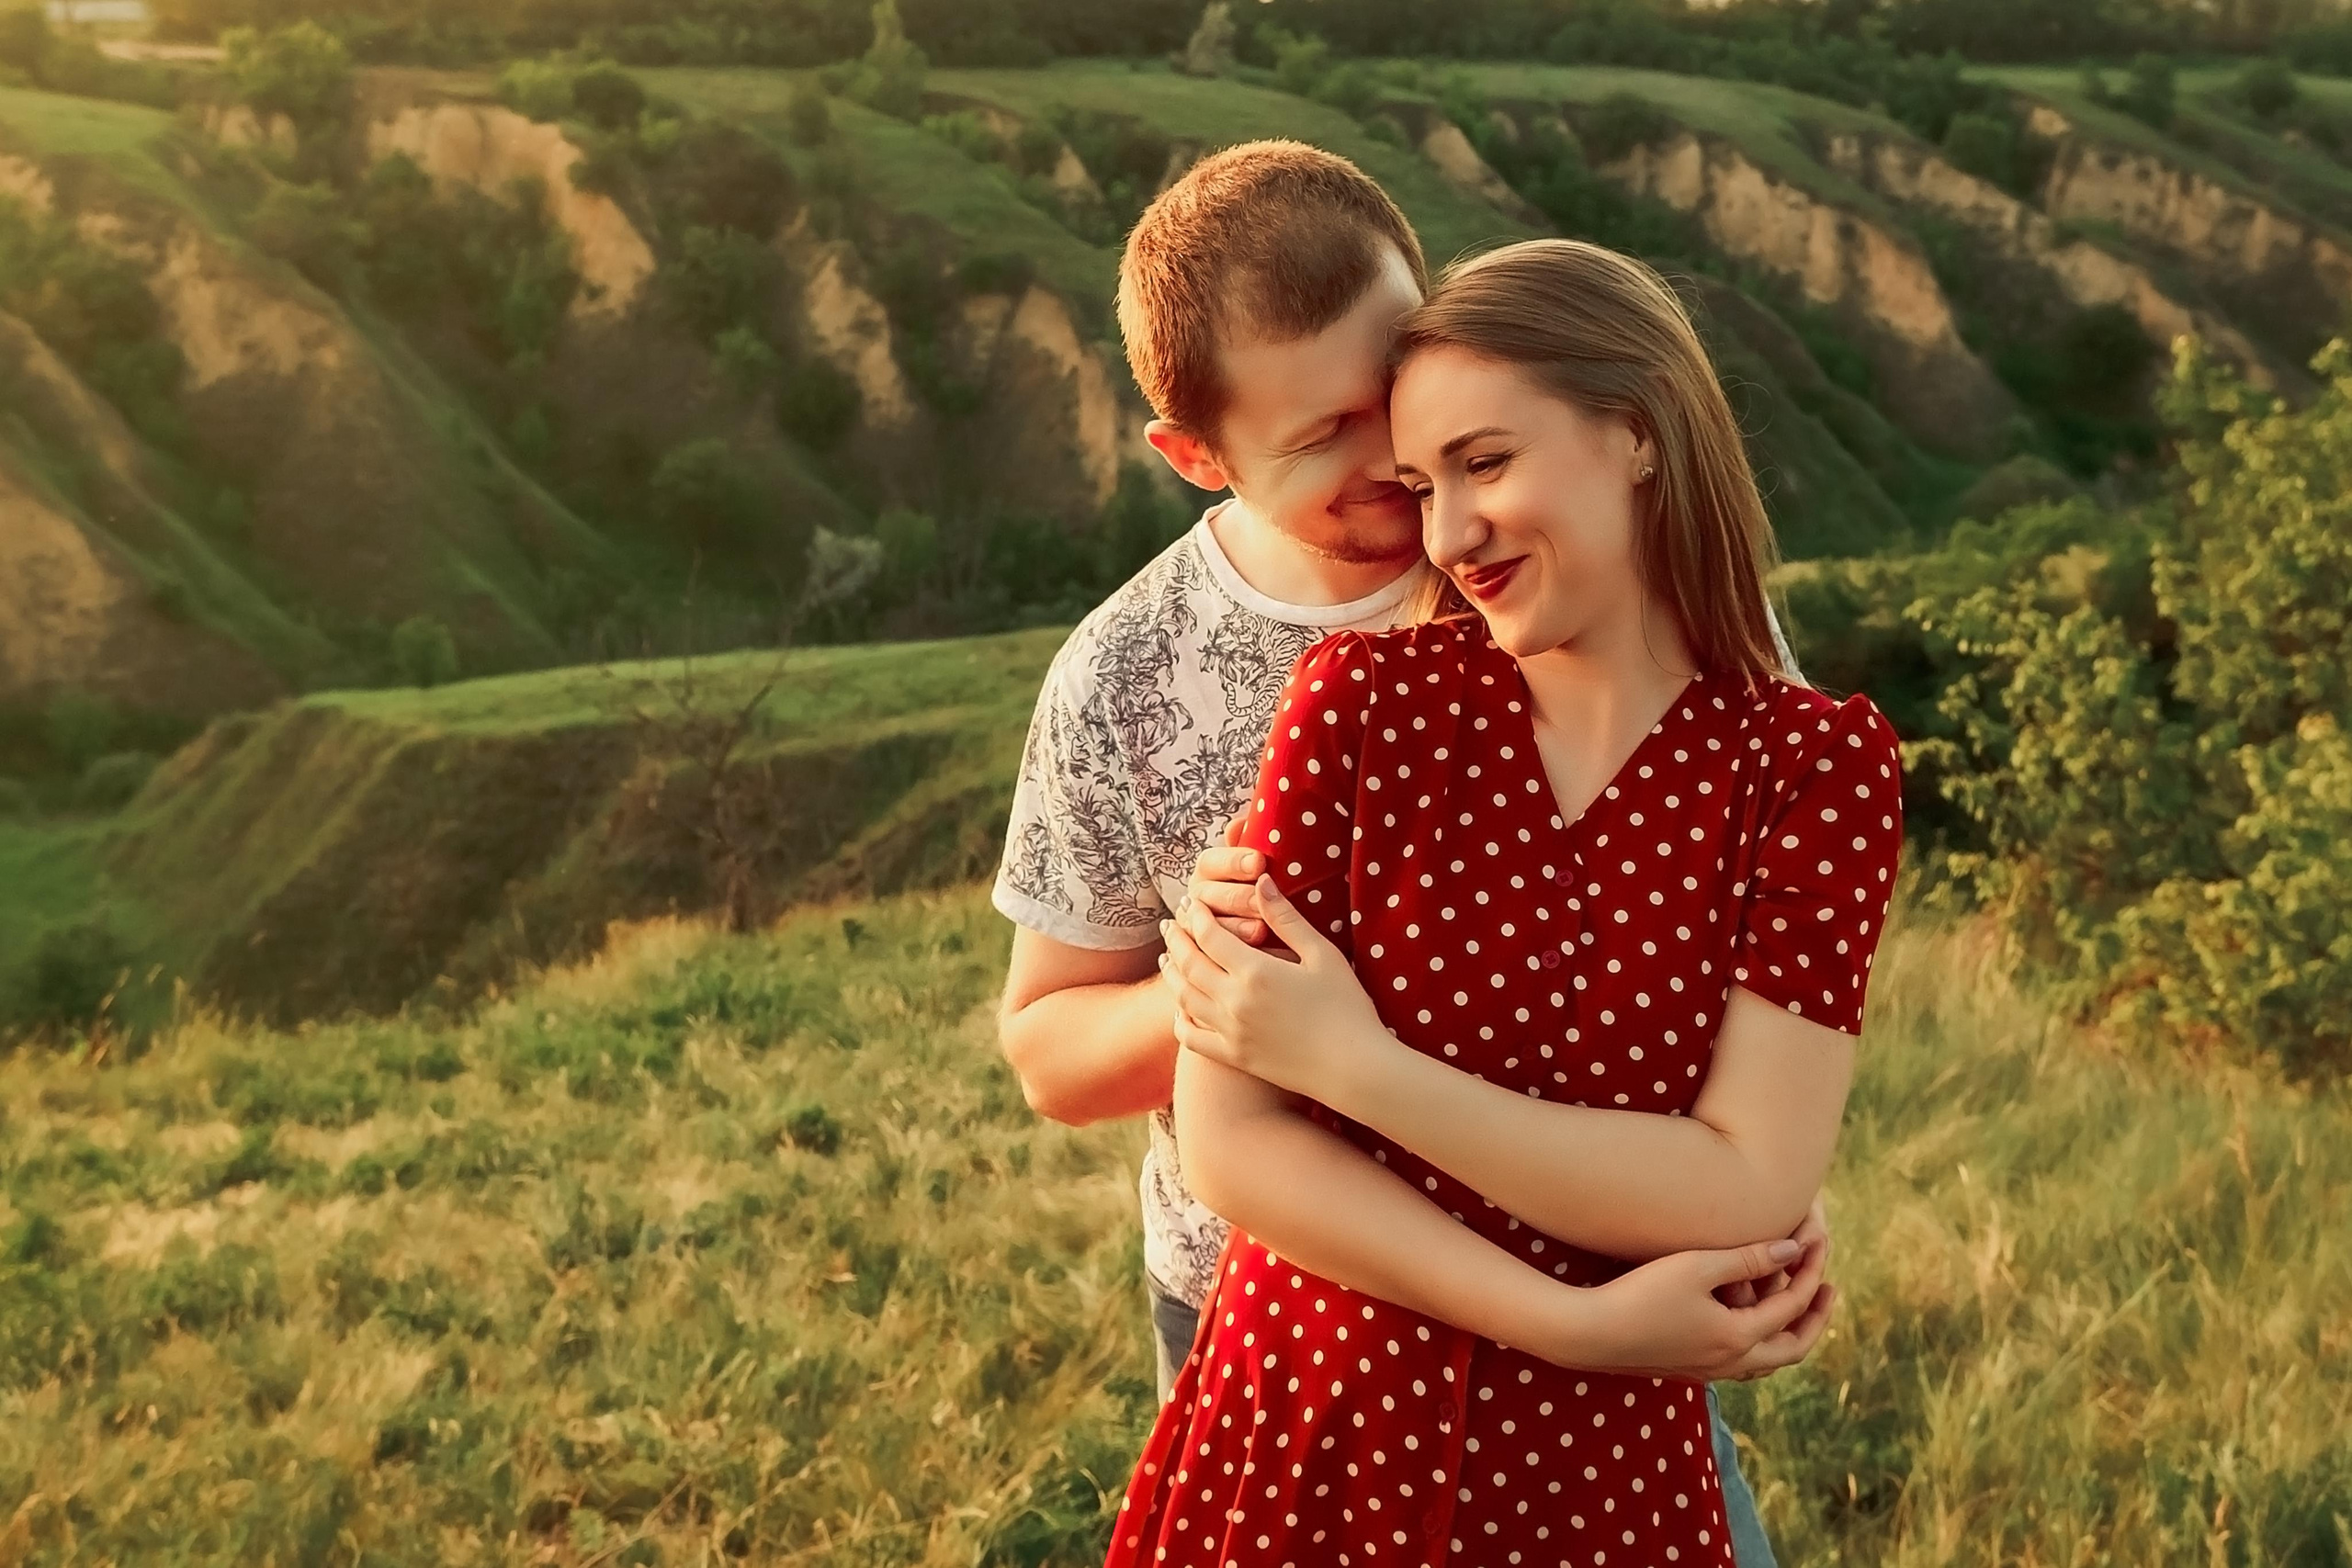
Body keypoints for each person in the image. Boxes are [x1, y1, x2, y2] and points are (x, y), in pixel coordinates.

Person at [992, 143, 1816, 1567]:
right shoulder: (1127, 671)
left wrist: (1745, 1186)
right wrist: (1242, 1001)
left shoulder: (1590, 572)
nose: (1396, 464)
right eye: (1324, 441)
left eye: (1401, 391)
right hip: (1283, 1306)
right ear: (1195, 455)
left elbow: (1743, 909)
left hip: (1600, 1265)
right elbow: (1049, 1049)